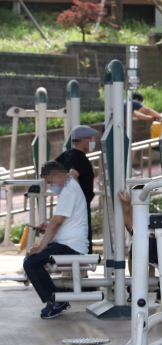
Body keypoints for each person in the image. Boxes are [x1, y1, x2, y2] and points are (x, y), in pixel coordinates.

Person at [23, 161, 89, 319]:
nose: (49, 186)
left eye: (49, 182)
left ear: (57, 176)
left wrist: (40, 247)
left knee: (31, 262)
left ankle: (56, 300)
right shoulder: (71, 186)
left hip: (71, 246)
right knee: (32, 260)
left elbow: (57, 222)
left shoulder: (69, 191)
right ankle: (56, 298)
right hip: (68, 243)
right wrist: (48, 227)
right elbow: (60, 222)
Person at [55, 125, 97, 254]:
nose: (92, 142)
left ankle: (71, 271)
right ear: (83, 140)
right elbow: (72, 176)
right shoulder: (81, 158)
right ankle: (81, 273)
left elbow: (50, 171)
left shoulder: (65, 155)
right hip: (80, 208)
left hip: (66, 207)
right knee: (81, 244)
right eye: (90, 139)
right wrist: (75, 193)